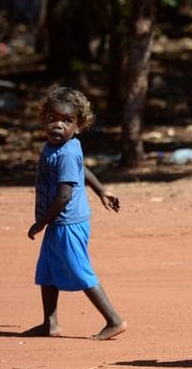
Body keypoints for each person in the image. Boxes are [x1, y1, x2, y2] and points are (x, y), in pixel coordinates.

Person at [25, 86, 127, 341]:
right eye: (53, 118)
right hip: (58, 221)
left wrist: (41, 224)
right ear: (44, 119)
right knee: (46, 271)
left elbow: (64, 195)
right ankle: (50, 323)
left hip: (66, 223)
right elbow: (83, 170)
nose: (58, 125)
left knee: (80, 271)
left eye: (67, 120)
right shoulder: (59, 147)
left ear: (78, 125)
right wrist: (102, 191)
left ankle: (114, 320)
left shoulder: (67, 152)